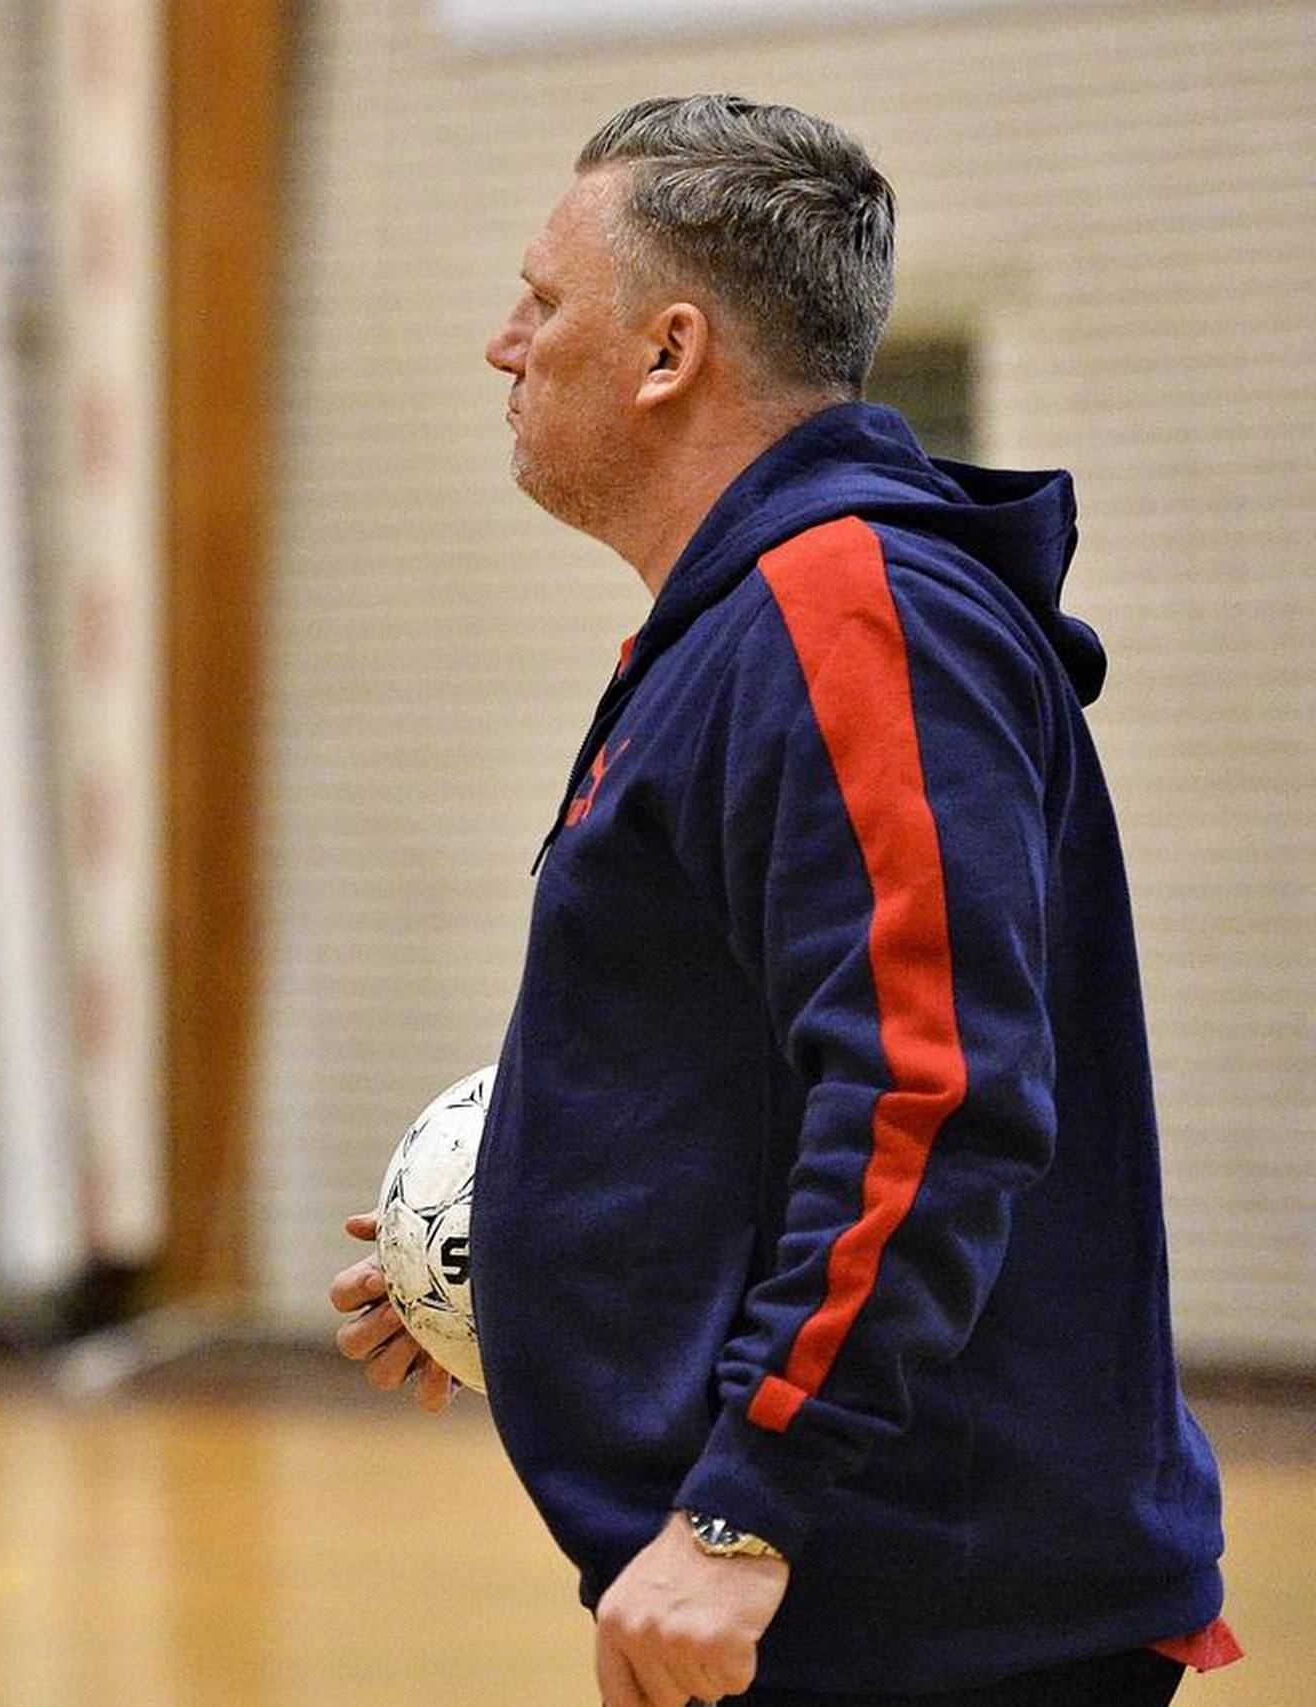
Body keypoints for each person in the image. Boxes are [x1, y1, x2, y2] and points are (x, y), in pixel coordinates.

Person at [329, 97, 1236, 1706]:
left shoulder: (849, 610)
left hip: (920, 1617)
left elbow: (927, 1087)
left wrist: (747, 1507)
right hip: (834, 1594)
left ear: (669, 351)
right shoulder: (752, 621)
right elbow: (760, 1070)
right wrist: (519, 1273)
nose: (503, 344)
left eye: (543, 301)